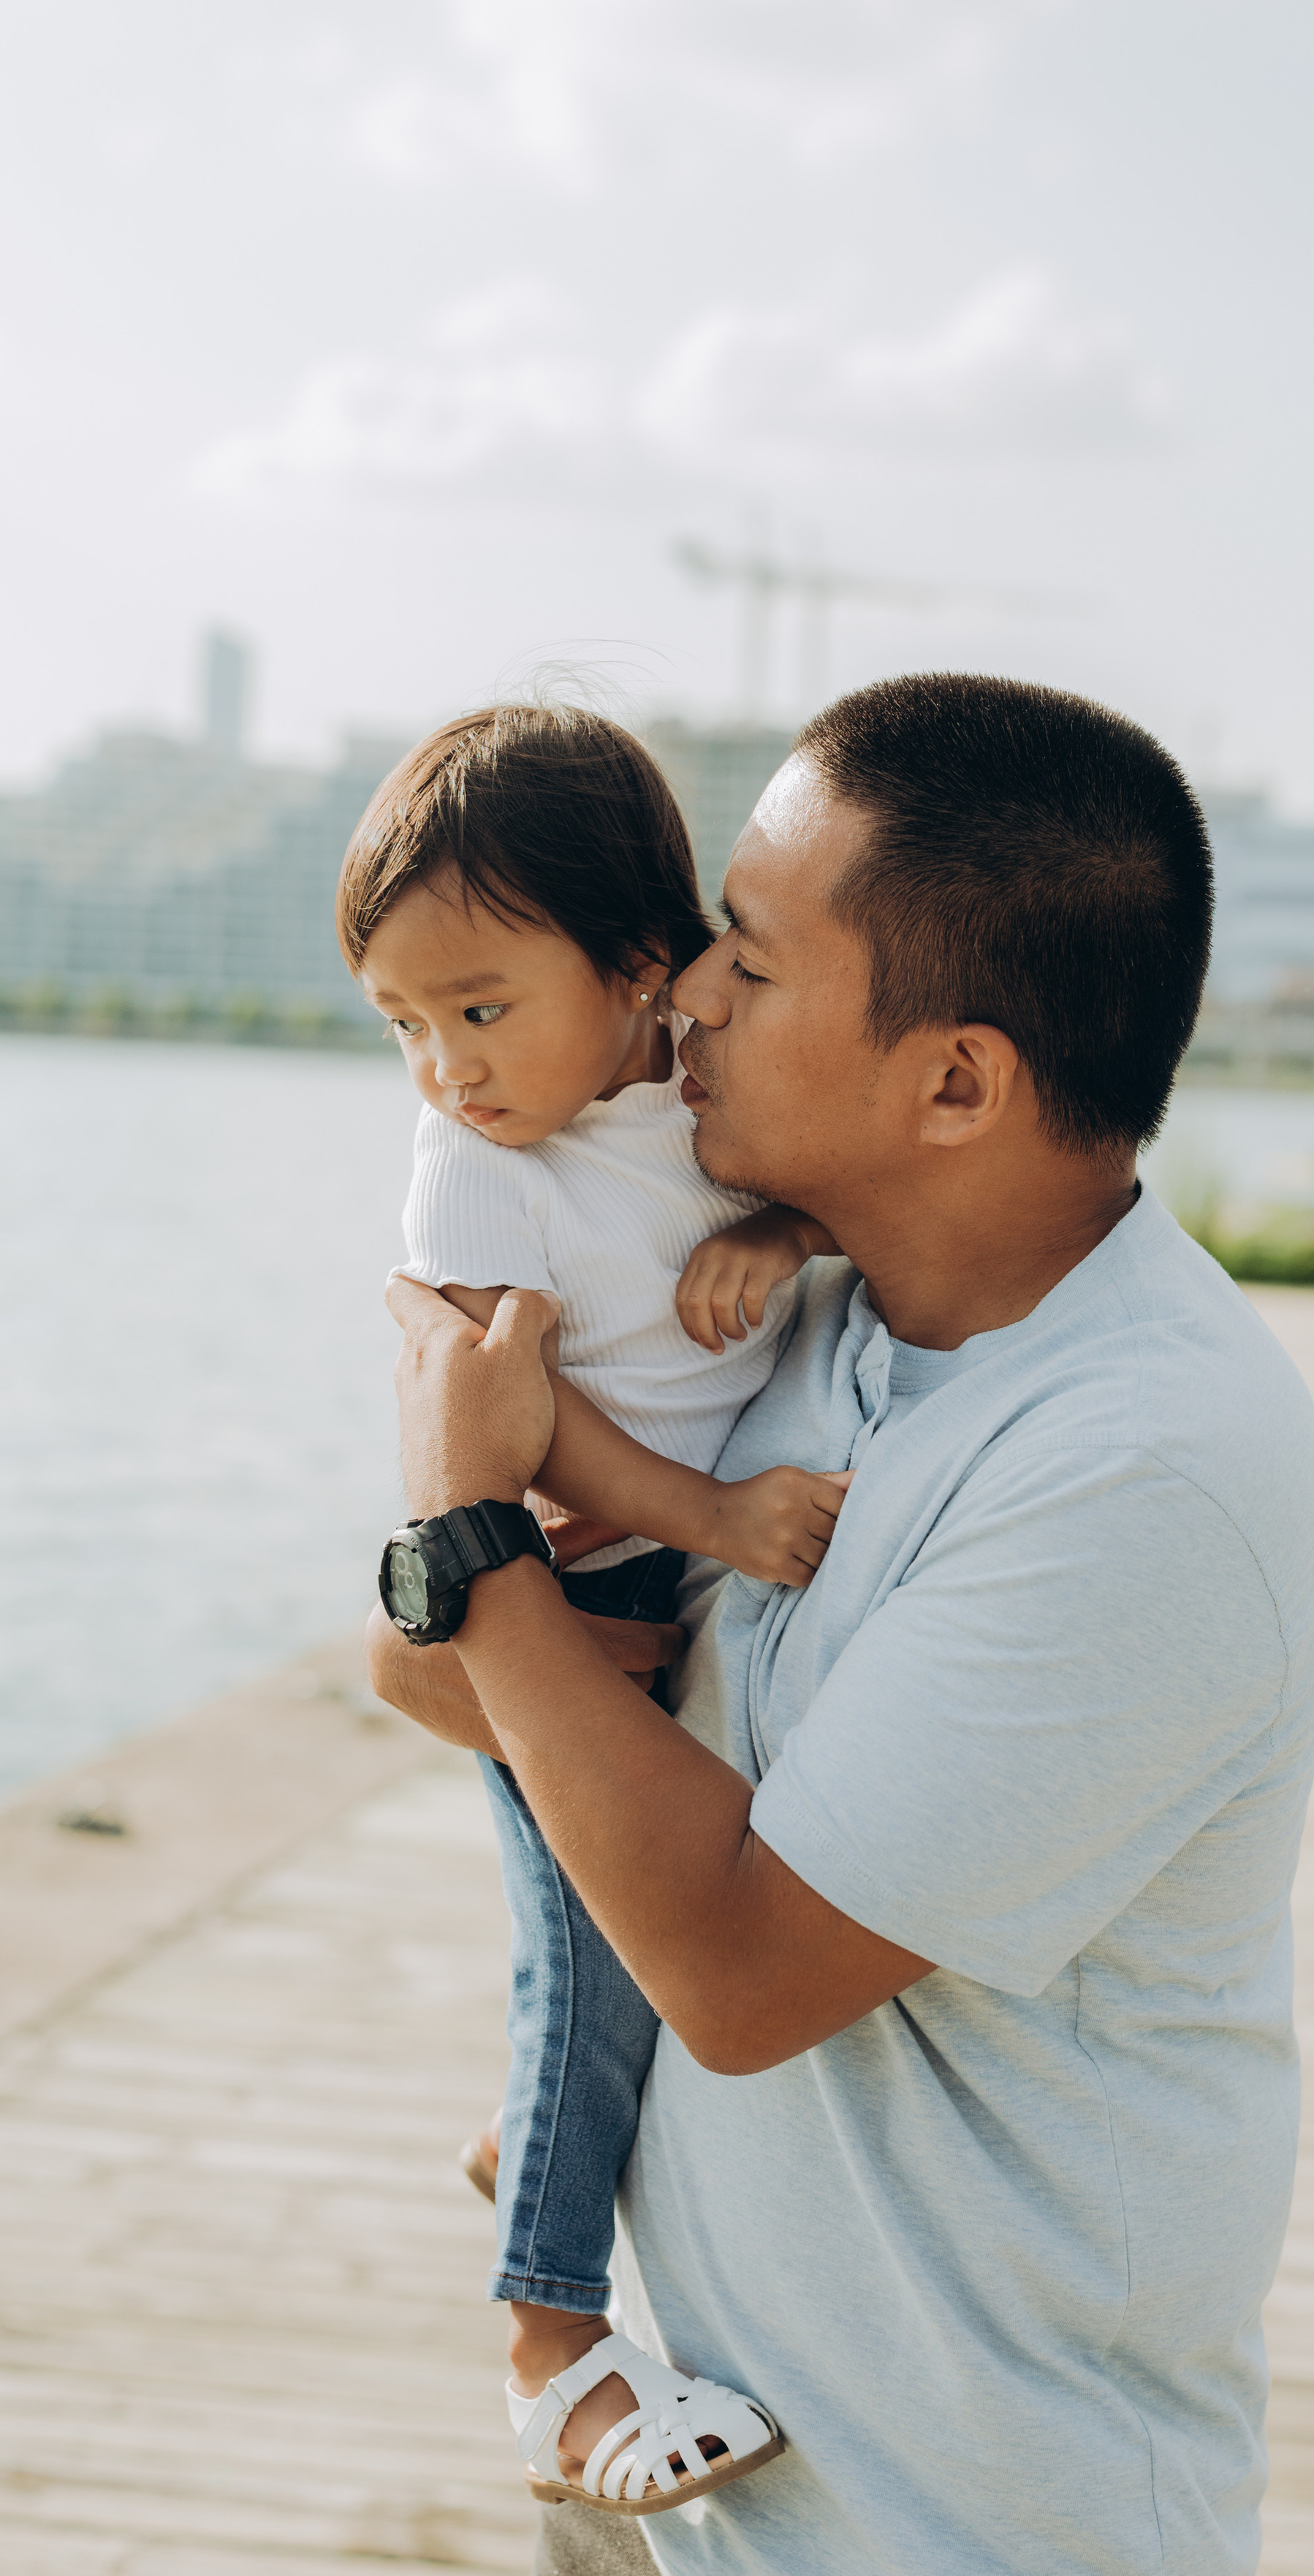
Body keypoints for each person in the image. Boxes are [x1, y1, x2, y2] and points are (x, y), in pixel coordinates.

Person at [369, 671, 1314, 2576]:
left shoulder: (1145, 1473)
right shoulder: (811, 1329)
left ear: (957, 1080)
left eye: (750, 949)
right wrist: (469, 1564)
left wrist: (473, 1529)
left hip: (971, 2528)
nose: (689, 998)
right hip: (725, 2490)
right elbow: (426, 1675)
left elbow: (733, 1973)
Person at [340, 703, 853, 2517]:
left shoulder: (692, 1091)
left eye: (480, 1009)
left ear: (646, 967)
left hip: (684, 1579)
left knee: (634, 1953)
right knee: (587, 1952)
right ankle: (550, 2355)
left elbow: (820, 1193)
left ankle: (527, 2135)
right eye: (403, 1025)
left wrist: (772, 1242)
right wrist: (708, 1507)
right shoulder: (482, 1166)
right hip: (561, 1588)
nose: (444, 1069)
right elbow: (512, 1418)